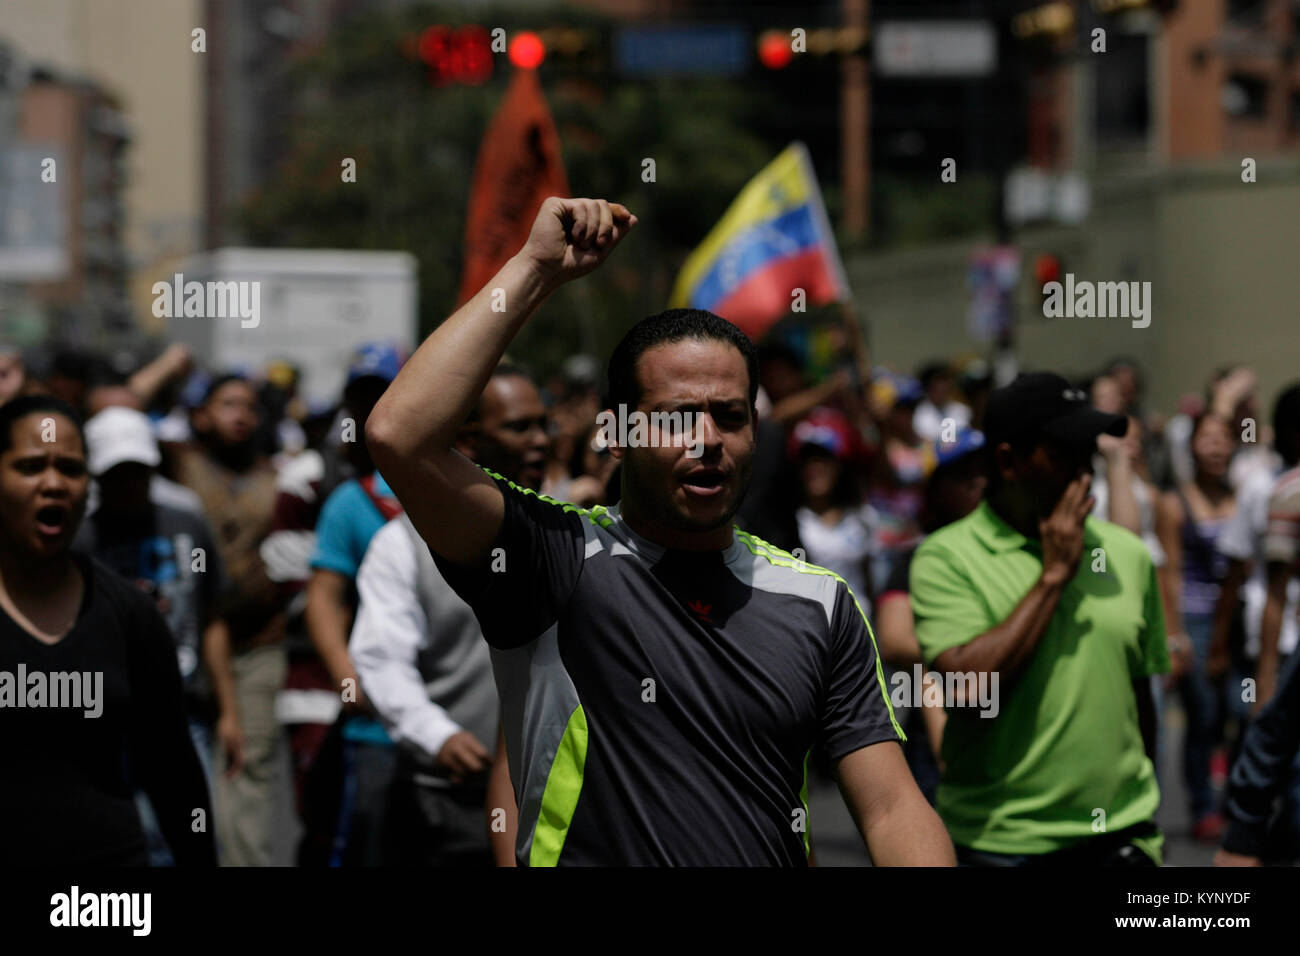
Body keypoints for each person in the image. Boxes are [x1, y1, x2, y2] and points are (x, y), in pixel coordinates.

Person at [366, 196, 953, 866]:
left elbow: (891, 808)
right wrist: (534, 269)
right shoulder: (553, 560)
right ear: (616, 435)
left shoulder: (821, 603)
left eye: (729, 416)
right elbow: (399, 437)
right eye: (677, 418)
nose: (707, 440)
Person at [910, 373, 1169, 865]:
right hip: (1002, 847)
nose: (1083, 472)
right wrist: (1052, 577)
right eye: (1062, 452)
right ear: (1008, 460)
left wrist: (1140, 814)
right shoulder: (946, 558)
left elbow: (1141, 698)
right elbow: (966, 688)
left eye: (1087, 450)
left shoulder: (1128, 555)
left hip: (1122, 839)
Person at [0, 395, 214, 865]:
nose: (54, 484)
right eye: (32, 466)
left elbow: (173, 772)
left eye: (71, 469)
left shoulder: (130, 615)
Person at [351, 363, 550, 865]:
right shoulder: (401, 546)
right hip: (444, 801)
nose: (540, 441)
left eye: (543, 424)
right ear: (469, 440)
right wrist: (440, 736)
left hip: (548, 801)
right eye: (519, 427)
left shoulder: (569, 534)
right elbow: (380, 659)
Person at [74, 406, 227, 863]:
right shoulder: (79, 541)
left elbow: (211, 614)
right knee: (139, 836)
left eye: (138, 471)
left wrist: (229, 708)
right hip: (111, 716)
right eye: (117, 474)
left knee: (196, 833)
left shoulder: (186, 524)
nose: (129, 485)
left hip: (186, 710)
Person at [173, 373, 283, 866]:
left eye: (249, 406)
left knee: (249, 767)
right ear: (200, 415)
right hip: (188, 650)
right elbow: (122, 404)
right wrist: (175, 364)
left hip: (258, 645)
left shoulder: (278, 479)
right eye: (227, 404)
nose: (241, 414)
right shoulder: (177, 465)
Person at [874, 427, 987, 804]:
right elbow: (893, 640)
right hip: (940, 728)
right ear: (936, 489)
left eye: (983, 469)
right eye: (961, 475)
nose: (978, 482)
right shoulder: (917, 557)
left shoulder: (1020, 549)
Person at [1155, 413, 1237, 842]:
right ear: (1191, 447)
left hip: (1235, 617)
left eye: (1224, 439)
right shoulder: (1173, 503)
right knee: (1202, 716)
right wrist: (1176, 635)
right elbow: (1168, 571)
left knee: (1238, 712)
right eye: (1207, 439)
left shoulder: (1241, 496)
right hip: (1195, 618)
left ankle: (1237, 804)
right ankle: (1202, 805)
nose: (1216, 448)